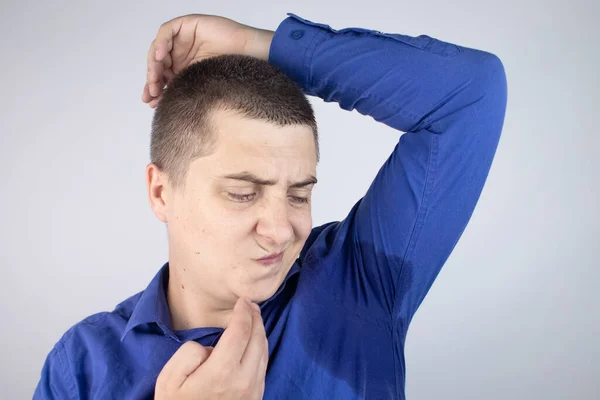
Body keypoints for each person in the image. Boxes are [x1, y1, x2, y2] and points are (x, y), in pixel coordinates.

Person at [34, 12, 507, 400]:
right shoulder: (81, 366)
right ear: (161, 192)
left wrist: (256, 43)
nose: (282, 231)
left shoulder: (358, 282)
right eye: (243, 193)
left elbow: (470, 93)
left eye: (299, 194)